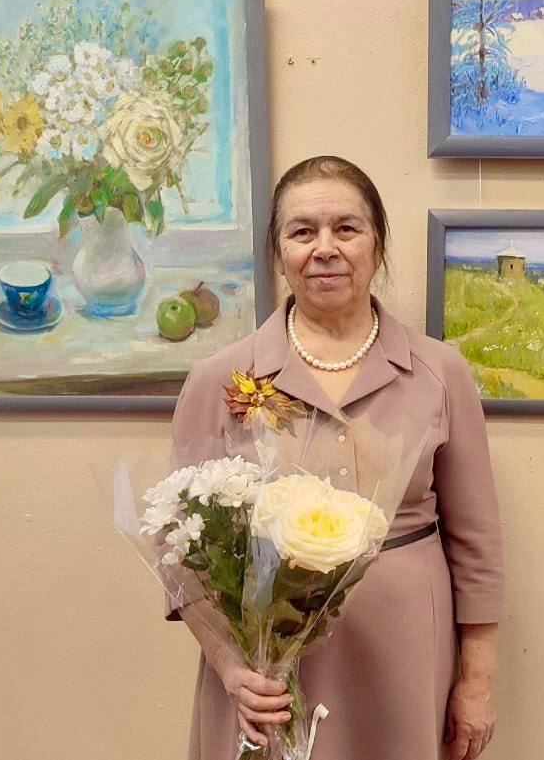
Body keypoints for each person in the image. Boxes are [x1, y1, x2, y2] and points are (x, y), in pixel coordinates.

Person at [166, 156, 503, 760]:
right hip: (263, 665)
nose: (325, 248)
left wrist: (476, 683)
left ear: (378, 245)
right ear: (279, 253)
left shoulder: (440, 372)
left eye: (346, 228)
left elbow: (476, 543)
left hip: (403, 652)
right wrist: (230, 667)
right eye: (303, 231)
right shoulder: (220, 378)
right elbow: (181, 552)